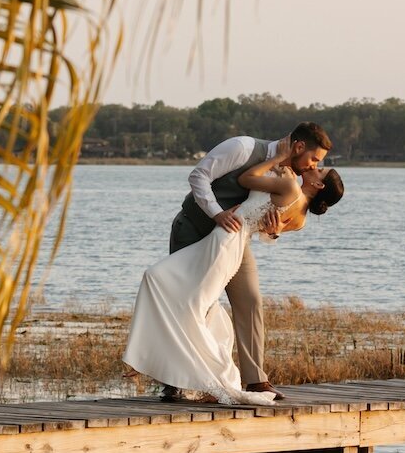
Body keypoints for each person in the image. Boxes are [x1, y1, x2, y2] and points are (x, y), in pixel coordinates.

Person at [123, 141, 344, 405]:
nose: (314, 165)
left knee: (248, 301)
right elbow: (200, 176)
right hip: (197, 226)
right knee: (186, 300)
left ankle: (253, 378)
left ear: (318, 185)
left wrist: (272, 230)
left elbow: (272, 223)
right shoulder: (245, 148)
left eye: (319, 166)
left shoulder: (289, 179)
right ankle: (175, 382)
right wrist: (219, 214)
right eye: (314, 160)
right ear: (298, 147)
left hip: (233, 239)